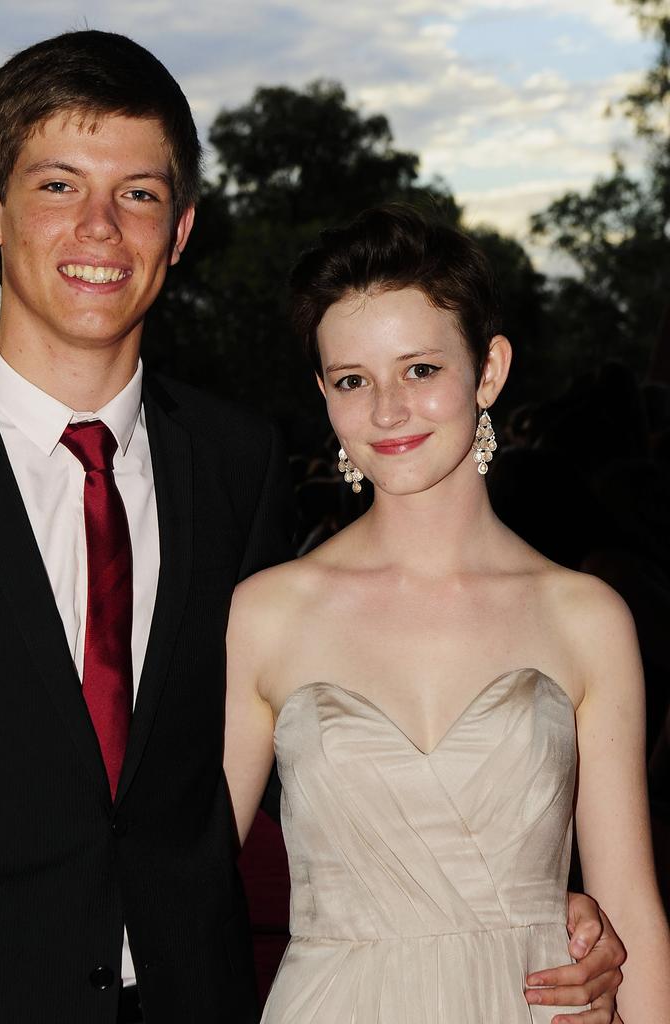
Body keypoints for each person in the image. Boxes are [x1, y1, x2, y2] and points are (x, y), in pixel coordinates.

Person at [0, 29, 295, 1024]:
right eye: (58, 185)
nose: (102, 228)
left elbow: (303, 749)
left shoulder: (240, 465)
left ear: (183, 227)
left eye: (140, 193)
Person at [223, 206, 670, 1022]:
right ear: (323, 393)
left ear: (489, 370)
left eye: (421, 369)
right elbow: (183, 880)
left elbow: (633, 908)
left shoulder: (585, 617)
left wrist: (593, 933)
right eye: (353, 380)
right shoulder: (266, 614)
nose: (387, 411)